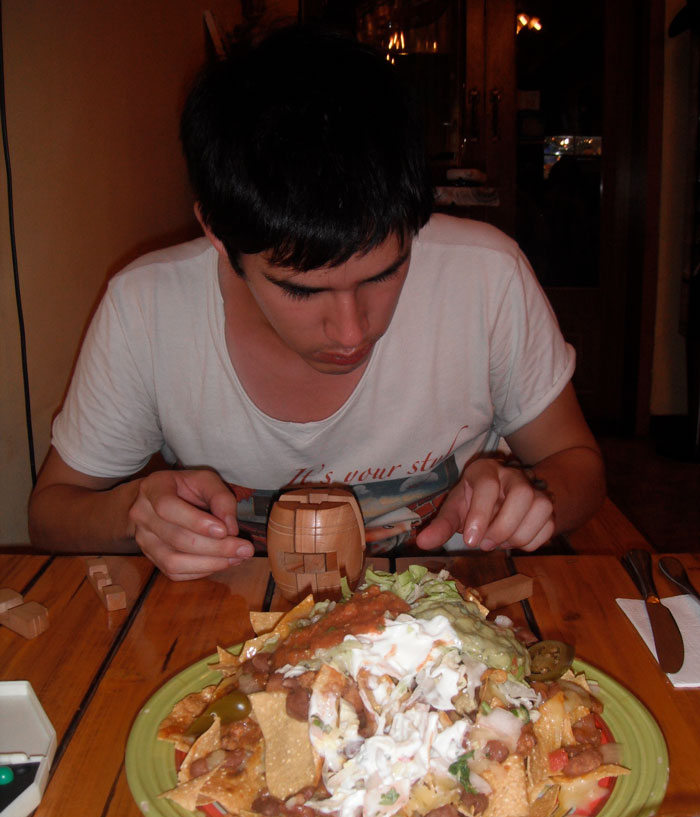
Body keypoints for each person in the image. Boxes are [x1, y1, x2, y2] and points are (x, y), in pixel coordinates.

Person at [28, 25, 605, 581]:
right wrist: (133, 514)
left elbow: (578, 462)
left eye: (386, 272)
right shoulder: (147, 309)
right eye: (302, 290)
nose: (352, 332)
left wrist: (534, 497)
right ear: (218, 232)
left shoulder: (484, 276)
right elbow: (51, 514)